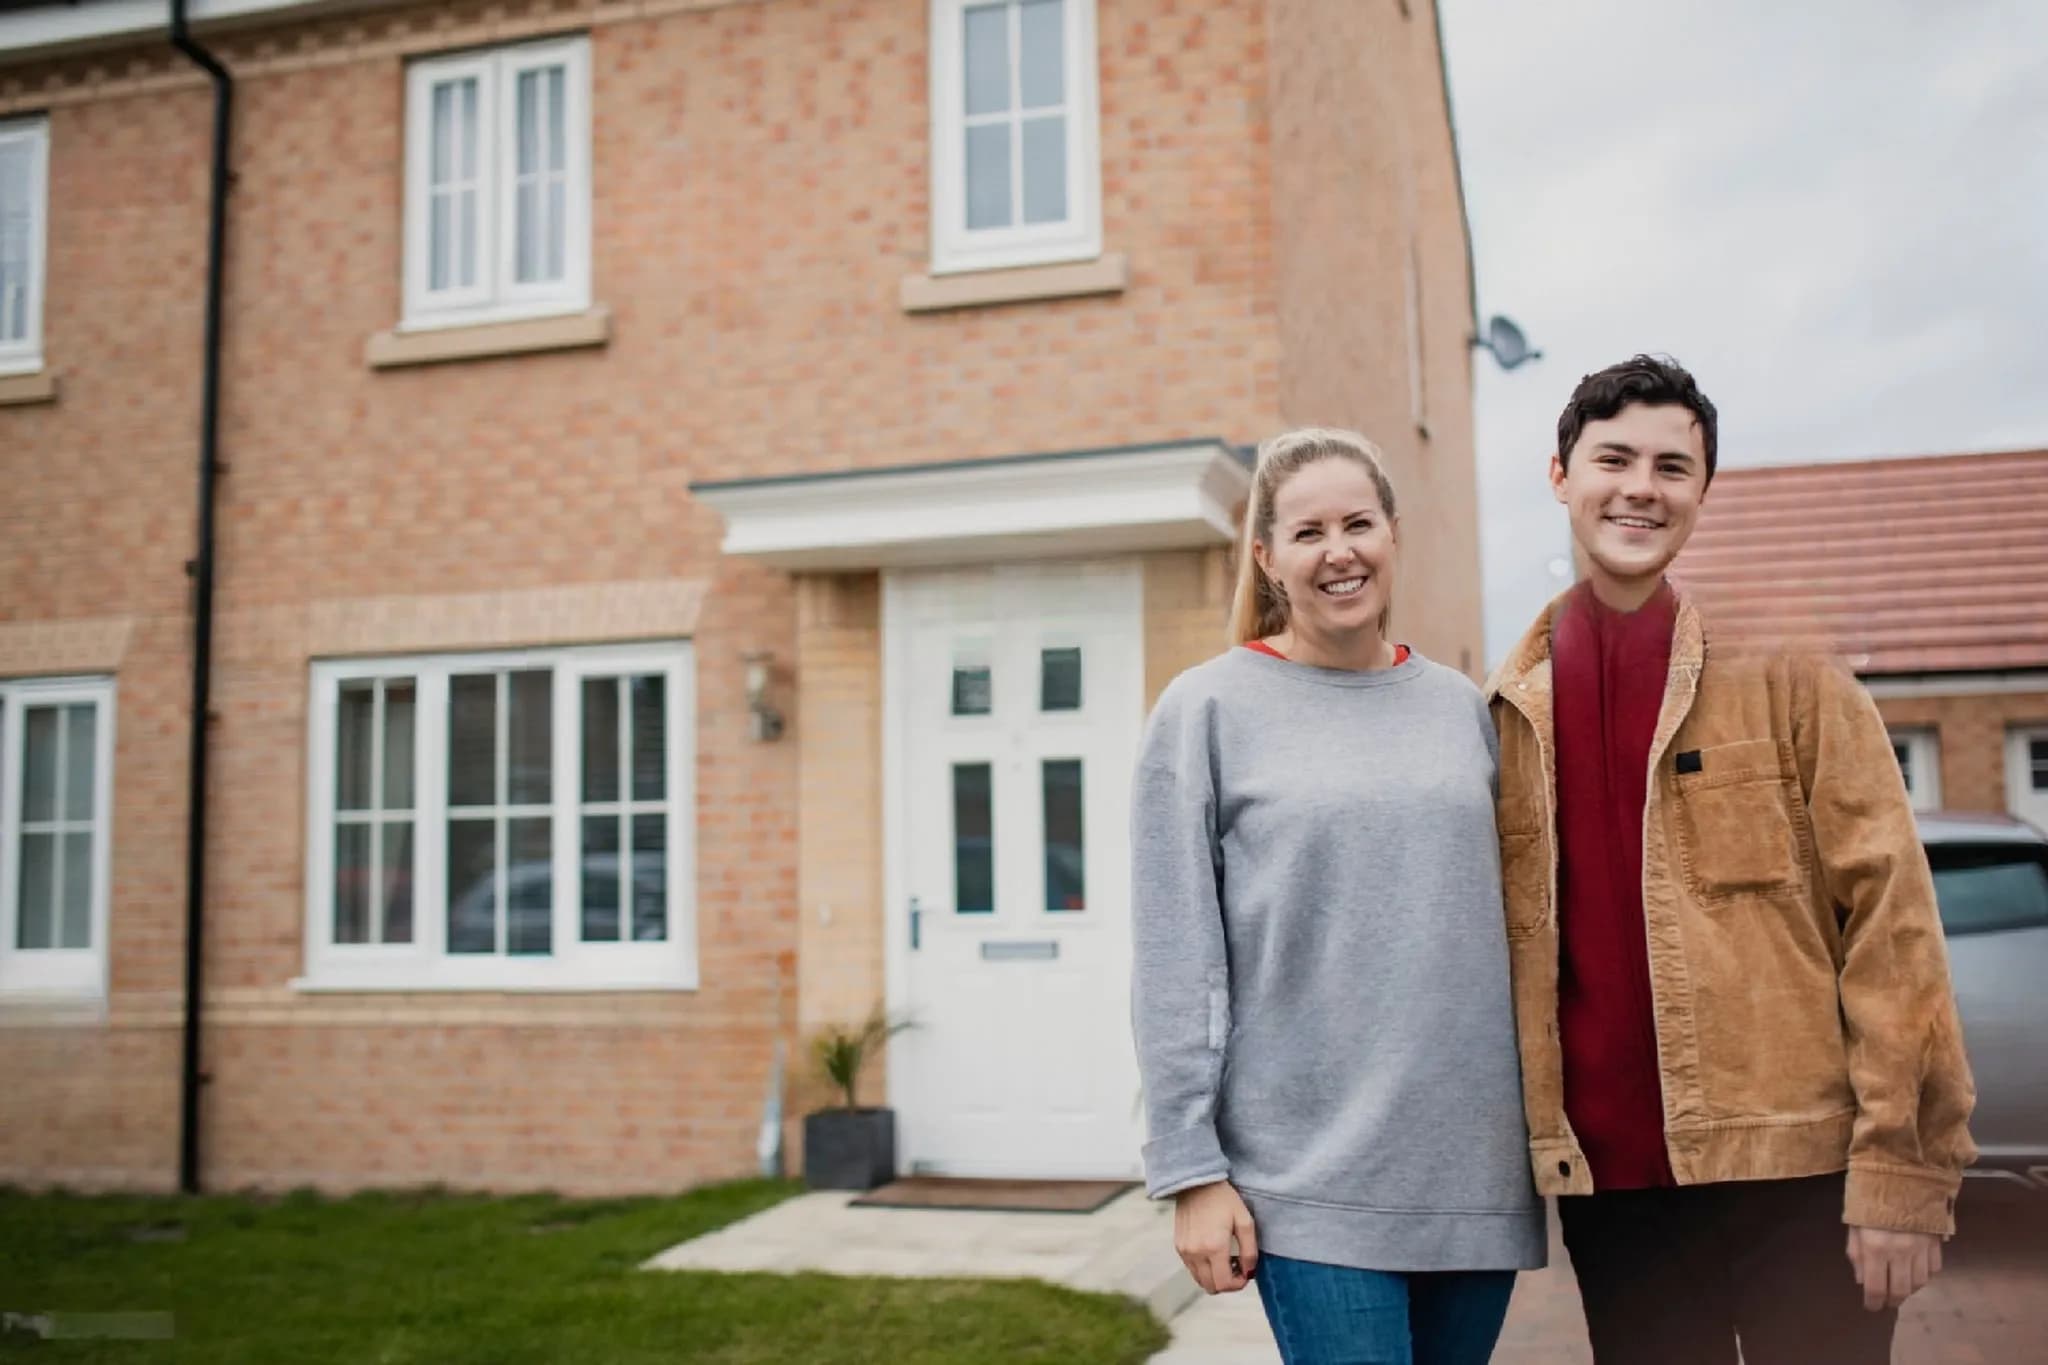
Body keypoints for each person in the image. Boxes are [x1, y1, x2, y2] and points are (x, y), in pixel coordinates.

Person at [1487, 354, 1975, 1365]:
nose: (1639, 487)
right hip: (1616, 1203)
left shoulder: (1790, 678)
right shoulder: (1507, 713)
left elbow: (1892, 925)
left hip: (1797, 1176)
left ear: (1702, 493)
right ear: (1558, 476)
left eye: (1672, 467)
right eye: (1611, 458)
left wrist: (1902, 1175)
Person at [1131, 428, 1545, 1365]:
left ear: (1393, 534)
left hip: (1471, 1173)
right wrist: (1190, 1170)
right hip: (1307, 1178)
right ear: (1268, 556)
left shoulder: (1462, 712)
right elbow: (1173, 955)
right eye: (1309, 531)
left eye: (1359, 522)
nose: (1339, 550)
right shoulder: (1206, 711)